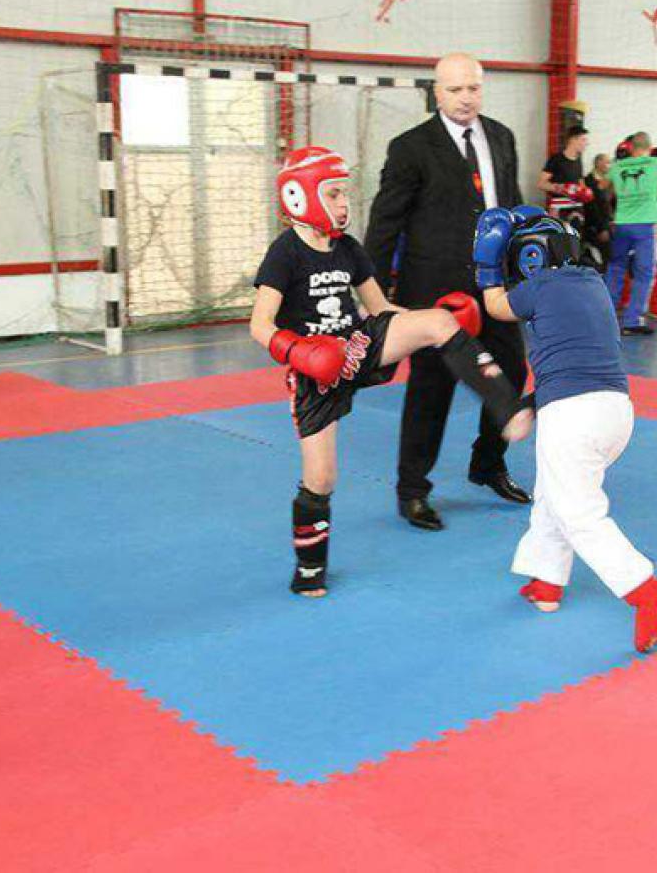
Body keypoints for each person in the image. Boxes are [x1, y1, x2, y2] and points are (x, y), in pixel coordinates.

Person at [251, 146, 532, 596]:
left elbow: (380, 308)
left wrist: (434, 320)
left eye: (344, 194)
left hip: (357, 346)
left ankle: (506, 408)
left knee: (439, 323)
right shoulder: (285, 253)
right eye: (334, 194)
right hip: (315, 370)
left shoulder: (348, 249)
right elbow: (260, 324)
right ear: (300, 196)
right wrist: (298, 351)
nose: (343, 204)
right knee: (321, 478)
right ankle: (309, 568)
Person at [473, 206, 657, 653]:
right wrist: (532, 405)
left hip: (574, 416)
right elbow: (573, 357)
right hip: (615, 409)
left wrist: (486, 263)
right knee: (553, 494)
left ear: (530, 258)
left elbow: (494, 306)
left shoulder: (540, 286)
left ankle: (646, 591)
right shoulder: (594, 284)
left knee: (578, 512)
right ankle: (547, 581)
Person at [364, 52, 531, 532]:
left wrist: (525, 266)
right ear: (437, 92)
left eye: (473, 88)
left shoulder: (501, 136)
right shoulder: (410, 147)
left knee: (512, 372)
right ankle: (412, 489)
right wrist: (376, 299)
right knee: (431, 389)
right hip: (433, 293)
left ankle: (488, 464)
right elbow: (385, 222)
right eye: (455, 89)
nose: (465, 98)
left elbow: (512, 206)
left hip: (494, 286)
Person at [605, 131, 657, 334]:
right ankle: (632, 320)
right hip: (644, 225)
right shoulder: (655, 163)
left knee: (616, 268)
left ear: (631, 148)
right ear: (649, 148)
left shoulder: (617, 166)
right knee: (644, 272)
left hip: (622, 223)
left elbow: (603, 188)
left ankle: (605, 317)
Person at [539, 125, 593, 222]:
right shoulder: (556, 159)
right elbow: (541, 184)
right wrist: (562, 188)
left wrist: (585, 191)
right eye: (583, 140)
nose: (587, 143)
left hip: (576, 208)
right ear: (573, 140)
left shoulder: (578, 161)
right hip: (559, 208)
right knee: (560, 231)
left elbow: (580, 183)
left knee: (576, 231)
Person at [582, 152, 615, 270]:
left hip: (609, 225)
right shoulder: (588, 182)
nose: (609, 166)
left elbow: (611, 204)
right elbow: (591, 208)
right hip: (595, 227)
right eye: (607, 162)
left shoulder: (608, 182)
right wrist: (602, 228)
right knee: (606, 257)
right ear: (598, 163)